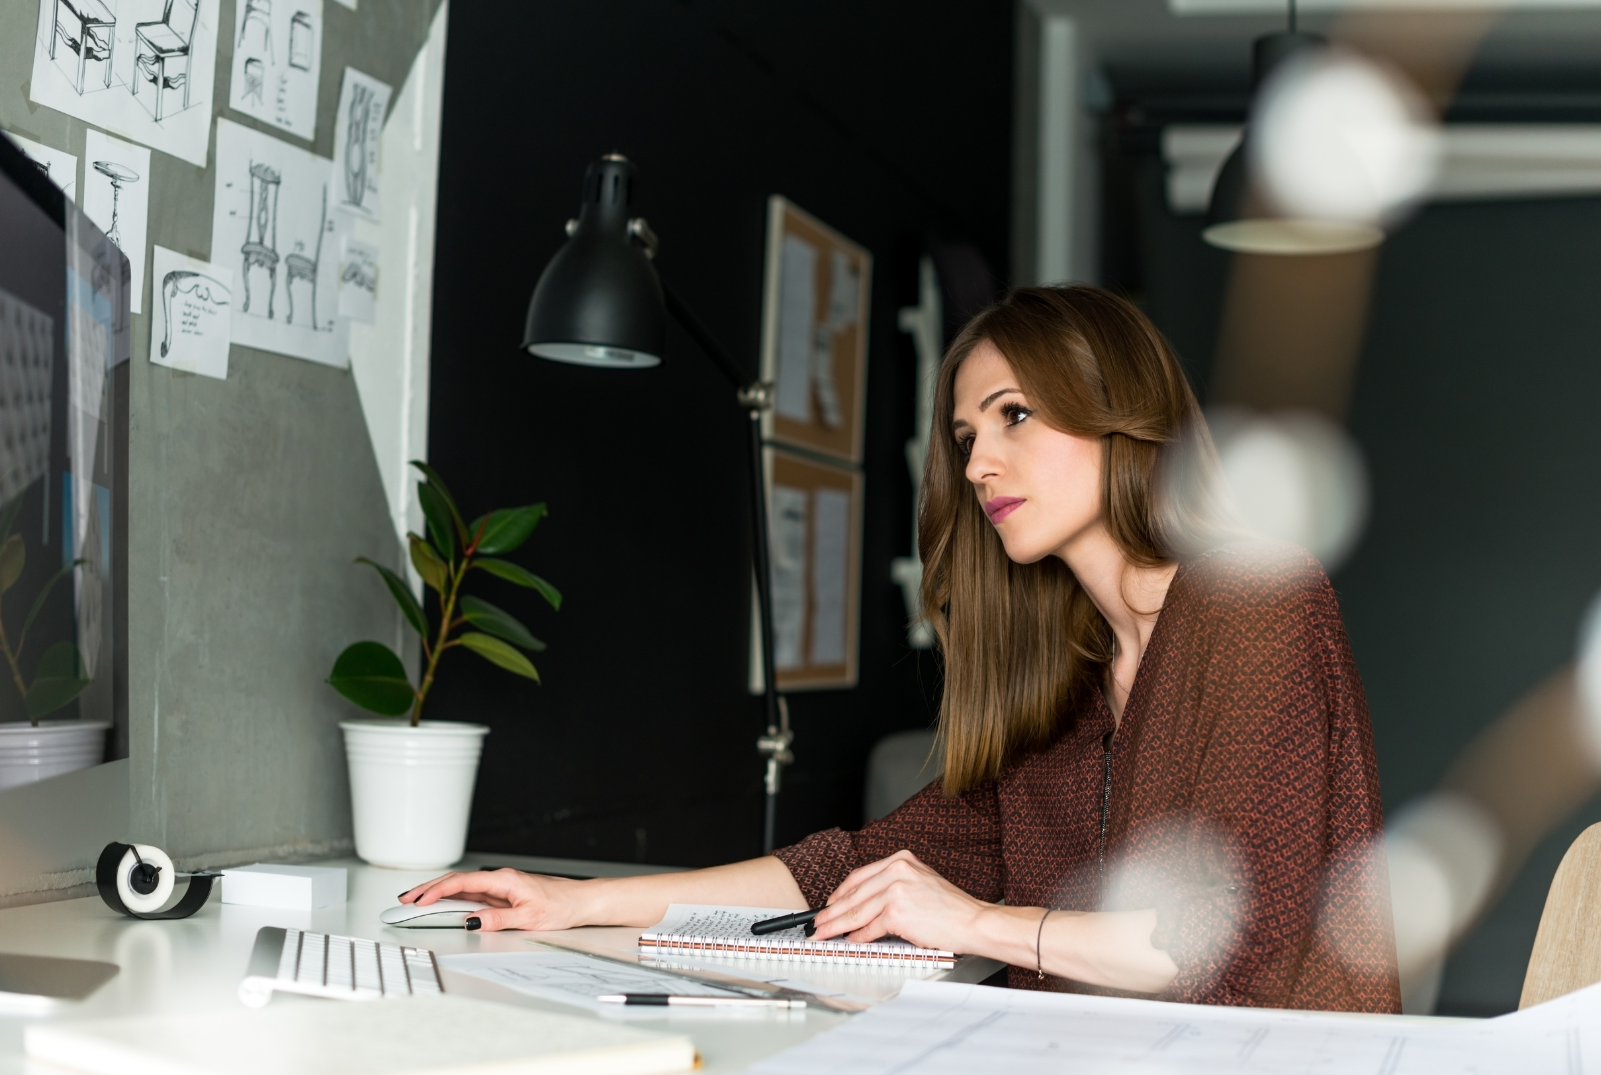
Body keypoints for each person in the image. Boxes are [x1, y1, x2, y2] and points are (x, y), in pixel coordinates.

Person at [399, 285, 1401, 1013]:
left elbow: (1225, 940)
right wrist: (575, 902)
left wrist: (969, 920)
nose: (978, 462)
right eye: (964, 437)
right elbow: (857, 863)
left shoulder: (1257, 601)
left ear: (1119, 412)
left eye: (1013, 415)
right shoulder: (1067, 683)